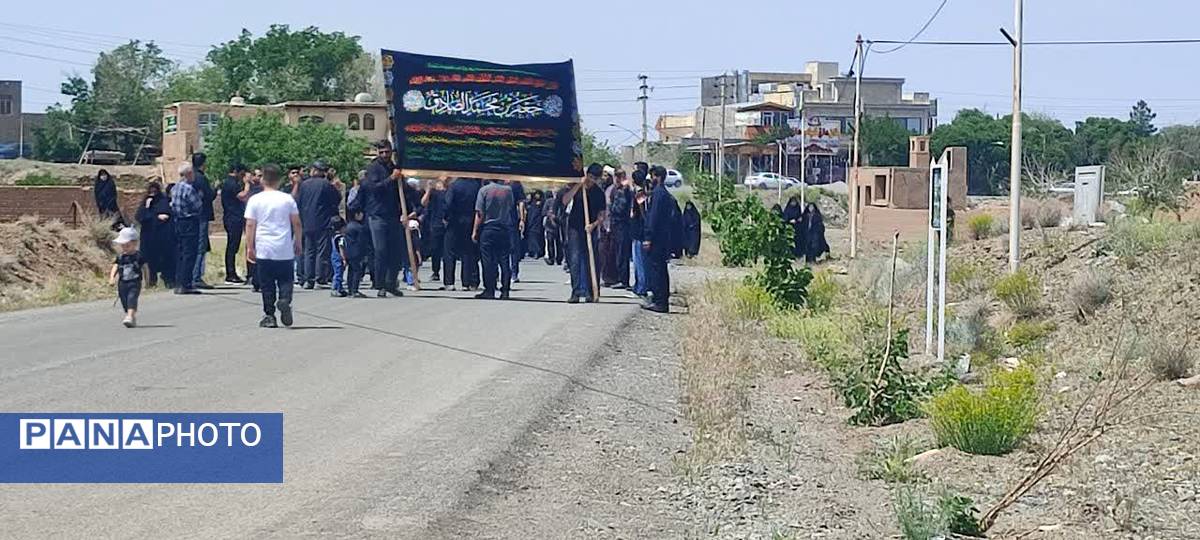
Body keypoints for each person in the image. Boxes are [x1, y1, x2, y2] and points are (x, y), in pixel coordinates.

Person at [245, 164, 303, 328]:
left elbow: (250, 225)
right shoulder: (287, 199)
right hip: (283, 247)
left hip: (264, 247)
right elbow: (297, 223)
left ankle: (269, 315)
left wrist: (250, 247)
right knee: (286, 279)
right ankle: (284, 299)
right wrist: (298, 242)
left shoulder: (255, 200)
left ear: (263, 179)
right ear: (280, 180)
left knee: (267, 283)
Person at [360, 141, 405, 297]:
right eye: (382, 152)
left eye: (387, 152)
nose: (384, 155)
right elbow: (373, 188)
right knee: (381, 251)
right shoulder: (373, 168)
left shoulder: (394, 167)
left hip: (393, 215)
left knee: (395, 252)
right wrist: (391, 179)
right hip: (377, 216)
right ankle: (380, 285)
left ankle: (391, 283)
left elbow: (403, 191)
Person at [563, 163, 607, 304]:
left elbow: (602, 215)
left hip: (590, 228)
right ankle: (576, 292)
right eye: (590, 177)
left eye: (595, 178)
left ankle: (591, 291)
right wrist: (577, 186)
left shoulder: (599, 193)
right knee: (575, 259)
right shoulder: (577, 187)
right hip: (575, 227)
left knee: (591, 259)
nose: (591, 180)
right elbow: (565, 201)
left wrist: (593, 225)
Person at [296, 161, 342, 289]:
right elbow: (336, 199)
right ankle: (319, 278)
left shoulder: (304, 185)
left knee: (309, 251)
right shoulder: (326, 184)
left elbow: (298, 202)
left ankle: (308, 279)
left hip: (306, 222)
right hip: (322, 222)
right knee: (322, 251)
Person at [642, 165, 678, 313]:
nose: (651, 179)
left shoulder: (658, 194)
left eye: (652, 176)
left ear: (658, 177)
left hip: (657, 239)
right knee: (660, 270)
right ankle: (660, 300)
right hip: (663, 238)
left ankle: (660, 301)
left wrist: (648, 237)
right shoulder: (663, 194)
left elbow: (653, 217)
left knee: (657, 270)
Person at [473, 179, 515, 300]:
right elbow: (511, 207)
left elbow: (479, 213)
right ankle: (505, 290)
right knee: (504, 260)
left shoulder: (483, 190)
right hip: (504, 227)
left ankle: (489, 289)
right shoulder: (508, 190)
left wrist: (475, 230)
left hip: (489, 228)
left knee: (488, 261)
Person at [443, 176, 483, 291]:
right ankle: (467, 282)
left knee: (449, 252)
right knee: (467, 253)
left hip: (454, 221)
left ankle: (449, 282)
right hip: (470, 221)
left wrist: (446, 217)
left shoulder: (454, 186)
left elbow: (448, 204)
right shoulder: (476, 187)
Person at [170, 163, 203, 295]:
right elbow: (198, 205)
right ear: (188, 174)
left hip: (178, 222)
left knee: (181, 253)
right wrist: (200, 196)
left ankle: (178, 283)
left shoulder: (174, 188)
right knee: (190, 254)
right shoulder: (189, 189)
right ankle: (186, 284)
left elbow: (172, 205)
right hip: (189, 221)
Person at [135, 180, 175, 288]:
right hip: (149, 238)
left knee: (166, 259)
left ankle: (168, 280)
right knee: (150, 261)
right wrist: (148, 208)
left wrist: (157, 217)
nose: (152, 194)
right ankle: (151, 282)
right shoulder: (145, 204)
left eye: (155, 192)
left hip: (163, 237)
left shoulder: (163, 201)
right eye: (150, 192)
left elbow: (167, 215)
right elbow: (140, 217)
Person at [219, 164, 251, 284]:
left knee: (234, 246)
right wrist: (247, 184)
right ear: (236, 172)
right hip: (233, 218)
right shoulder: (231, 183)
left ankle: (231, 272)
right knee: (232, 246)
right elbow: (242, 196)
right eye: (242, 173)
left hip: (233, 217)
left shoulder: (230, 182)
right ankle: (230, 274)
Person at [109, 227, 146, 328]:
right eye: (123, 246)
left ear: (135, 244)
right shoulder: (121, 257)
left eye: (127, 245)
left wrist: (147, 280)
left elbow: (145, 268)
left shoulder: (138, 256)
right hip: (122, 283)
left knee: (131, 298)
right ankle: (130, 315)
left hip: (135, 281)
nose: (125, 248)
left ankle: (129, 316)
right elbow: (115, 266)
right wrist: (112, 277)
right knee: (124, 300)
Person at [191, 153, 217, 289]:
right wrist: (215, 187)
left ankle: (191, 275)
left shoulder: (190, 177)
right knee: (200, 246)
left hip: (191, 216)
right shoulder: (201, 178)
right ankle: (196, 276)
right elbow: (209, 195)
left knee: (192, 245)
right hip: (201, 215)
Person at [605, 170, 633, 289]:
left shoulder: (624, 190)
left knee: (622, 253)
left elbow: (619, 208)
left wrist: (610, 207)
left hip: (622, 224)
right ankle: (618, 278)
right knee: (616, 253)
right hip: (616, 225)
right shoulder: (617, 189)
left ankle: (623, 280)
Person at [421, 178, 448, 283]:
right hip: (435, 223)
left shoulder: (450, 191)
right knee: (435, 250)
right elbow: (424, 202)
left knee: (447, 252)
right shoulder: (434, 192)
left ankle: (448, 275)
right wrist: (428, 189)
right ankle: (435, 271)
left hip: (447, 224)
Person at [630, 170, 649, 297]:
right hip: (637, 231)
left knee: (640, 261)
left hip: (639, 231)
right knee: (638, 261)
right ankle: (638, 285)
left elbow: (643, 212)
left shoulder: (639, 194)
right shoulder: (641, 193)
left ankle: (641, 287)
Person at [342, 210, 369, 298]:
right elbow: (362, 241)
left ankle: (350, 290)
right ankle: (354, 290)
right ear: (356, 215)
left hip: (348, 251)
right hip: (357, 252)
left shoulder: (347, 226)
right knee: (357, 271)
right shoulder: (359, 227)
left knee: (351, 271)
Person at [505, 179, 526, 283]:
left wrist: (522, 219)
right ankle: (505, 272)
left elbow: (521, 202)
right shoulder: (498, 182)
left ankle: (514, 272)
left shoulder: (516, 183)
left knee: (513, 248)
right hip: (501, 219)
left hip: (511, 219)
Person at [542, 189, 562, 266]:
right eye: (555, 192)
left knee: (559, 242)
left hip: (558, 224)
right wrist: (549, 215)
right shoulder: (548, 201)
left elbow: (563, 211)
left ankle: (559, 258)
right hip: (549, 225)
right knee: (550, 242)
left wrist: (557, 217)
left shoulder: (561, 201)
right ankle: (551, 258)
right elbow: (544, 211)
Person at [329, 215, 348, 297]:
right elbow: (341, 248)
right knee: (338, 273)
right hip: (338, 257)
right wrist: (344, 259)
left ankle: (340, 288)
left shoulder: (334, 236)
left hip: (334, 256)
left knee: (338, 272)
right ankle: (335, 288)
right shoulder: (341, 238)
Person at [524, 190, 545, 259]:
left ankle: (537, 252)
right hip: (530, 222)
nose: (537, 196)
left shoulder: (541, 203)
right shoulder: (531, 203)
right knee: (531, 237)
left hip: (537, 222)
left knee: (536, 237)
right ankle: (532, 251)